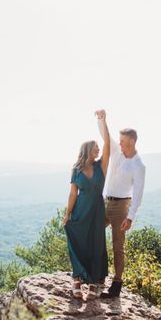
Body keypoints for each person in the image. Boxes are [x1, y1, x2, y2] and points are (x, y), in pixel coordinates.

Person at [96, 109, 146, 298]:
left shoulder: (139, 166)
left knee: (118, 245)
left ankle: (116, 283)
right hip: (105, 201)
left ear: (132, 142)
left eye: (123, 142)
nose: (120, 144)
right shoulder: (117, 150)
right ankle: (99, 274)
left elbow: (138, 193)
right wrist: (102, 119)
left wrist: (130, 217)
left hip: (121, 206)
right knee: (94, 233)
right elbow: (105, 136)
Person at [63, 112, 110, 300]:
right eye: (95, 148)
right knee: (78, 244)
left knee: (96, 245)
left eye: (99, 148)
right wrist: (67, 214)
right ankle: (76, 279)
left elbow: (108, 143)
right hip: (80, 211)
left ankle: (92, 283)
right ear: (88, 150)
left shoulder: (101, 167)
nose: (98, 150)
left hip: (97, 211)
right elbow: (73, 193)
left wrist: (103, 121)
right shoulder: (76, 169)